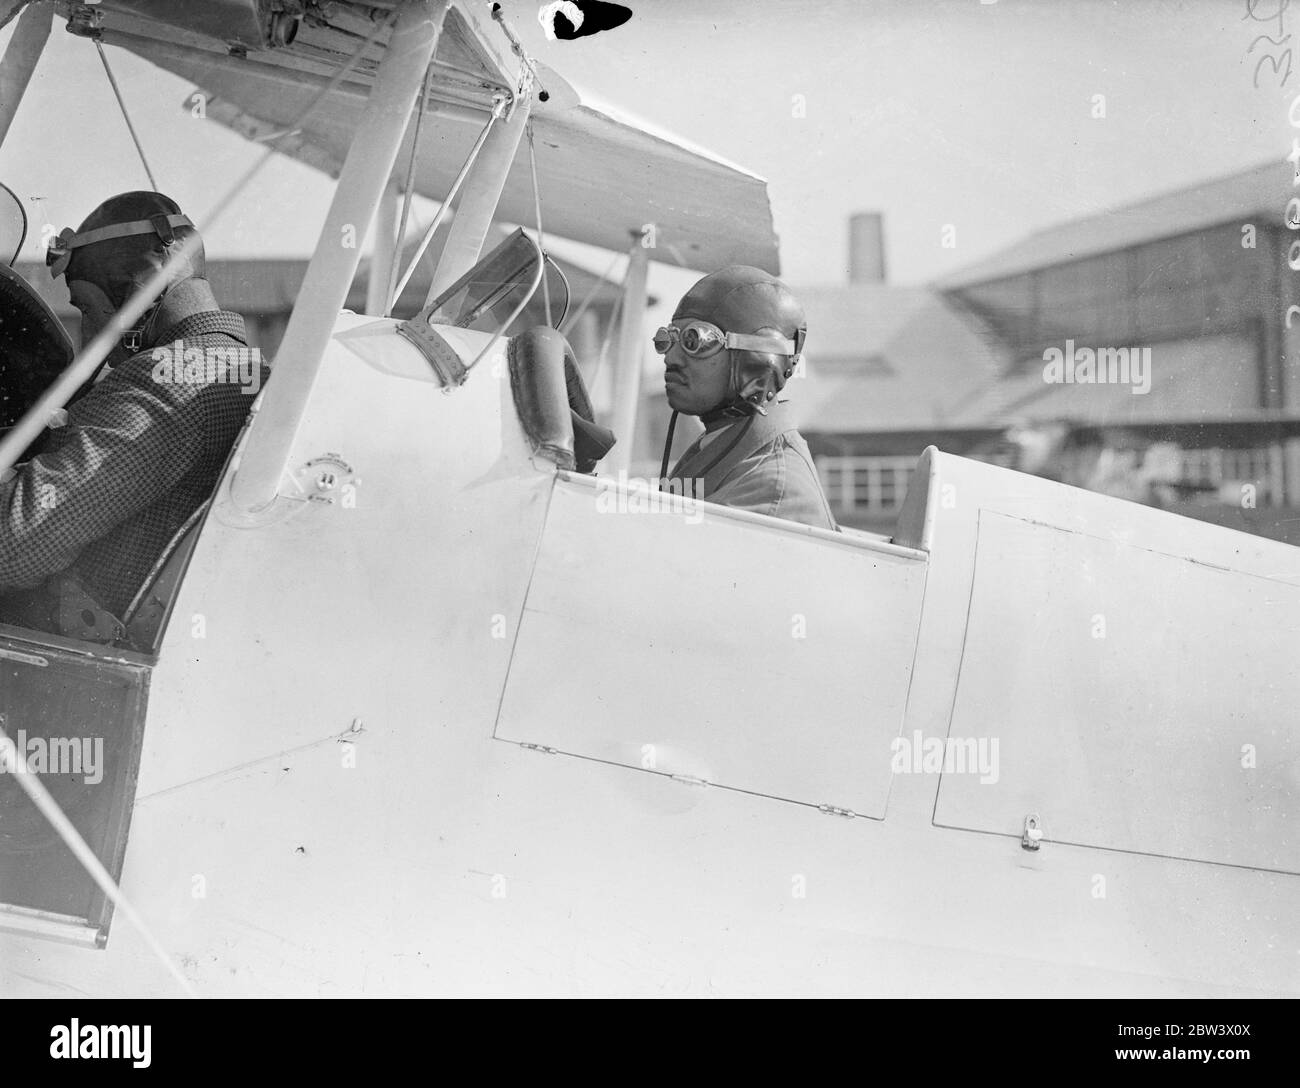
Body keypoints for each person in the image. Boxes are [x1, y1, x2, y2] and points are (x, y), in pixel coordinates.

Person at [0, 191, 267, 643]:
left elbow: (15, 544)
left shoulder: (172, 377)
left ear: (143, 285)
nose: (88, 333)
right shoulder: (239, 366)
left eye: (88, 308)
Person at [656, 265, 835, 529]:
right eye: (667, 340)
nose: (670, 357)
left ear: (758, 359)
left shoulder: (770, 487)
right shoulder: (718, 445)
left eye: (695, 341)